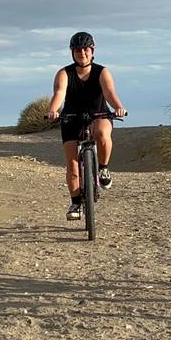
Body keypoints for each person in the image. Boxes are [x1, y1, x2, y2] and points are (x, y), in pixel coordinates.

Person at [46, 32, 127, 221]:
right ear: (72, 52)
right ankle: (75, 202)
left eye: (85, 49)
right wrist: (52, 110)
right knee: (72, 164)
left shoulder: (102, 71)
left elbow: (109, 92)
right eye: (77, 50)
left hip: (98, 114)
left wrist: (118, 108)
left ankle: (103, 168)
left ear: (92, 51)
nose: (82, 53)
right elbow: (59, 93)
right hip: (71, 117)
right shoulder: (64, 73)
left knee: (101, 132)